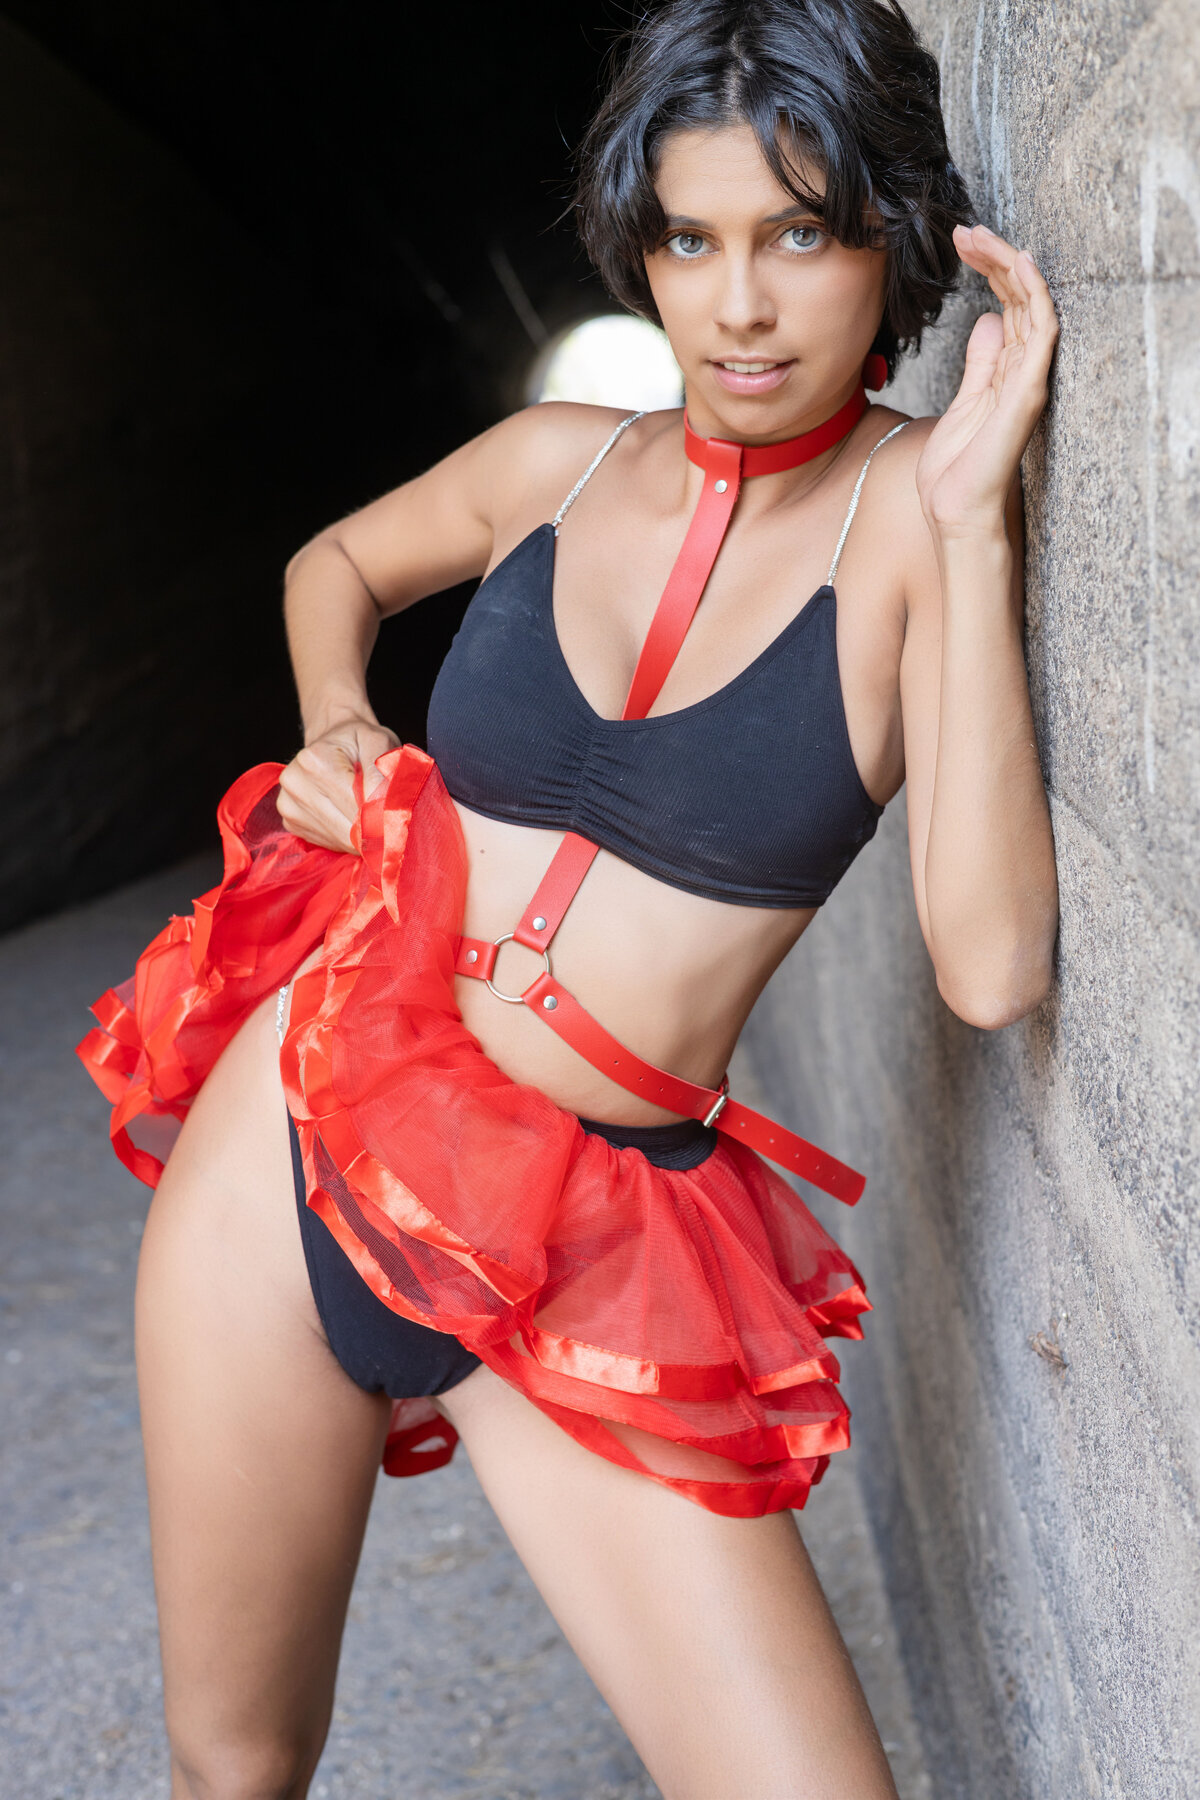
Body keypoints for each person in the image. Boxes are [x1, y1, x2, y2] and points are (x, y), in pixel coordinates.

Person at [78, 0, 1060, 1794]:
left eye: (799, 236)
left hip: (584, 1245)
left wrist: (978, 515)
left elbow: (990, 966)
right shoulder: (562, 463)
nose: (738, 305)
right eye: (690, 240)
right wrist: (338, 719)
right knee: (234, 1763)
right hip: (305, 1121)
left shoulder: (912, 533)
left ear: (893, 240)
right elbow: (334, 564)